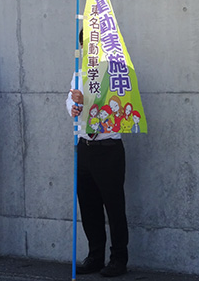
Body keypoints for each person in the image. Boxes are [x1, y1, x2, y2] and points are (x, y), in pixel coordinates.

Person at [66, 29, 129, 277]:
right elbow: (70, 101)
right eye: (84, 43)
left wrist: (90, 100)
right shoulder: (79, 71)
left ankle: (119, 259)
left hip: (108, 148)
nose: (87, 48)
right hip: (84, 146)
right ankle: (95, 255)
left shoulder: (117, 70)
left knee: (114, 207)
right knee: (88, 205)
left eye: (92, 42)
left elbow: (119, 103)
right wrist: (75, 104)